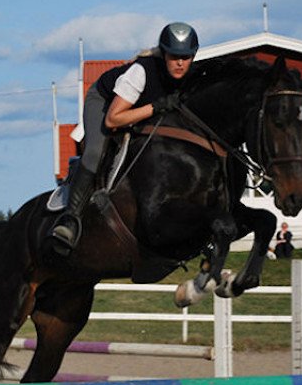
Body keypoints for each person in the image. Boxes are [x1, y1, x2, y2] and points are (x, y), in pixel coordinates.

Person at [50, 22, 199, 254]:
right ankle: (70, 220)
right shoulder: (142, 71)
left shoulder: (191, 76)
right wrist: (155, 106)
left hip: (138, 111)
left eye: (186, 57)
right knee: (95, 151)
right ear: (164, 53)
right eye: (174, 56)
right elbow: (113, 120)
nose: (180, 63)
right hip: (105, 104)